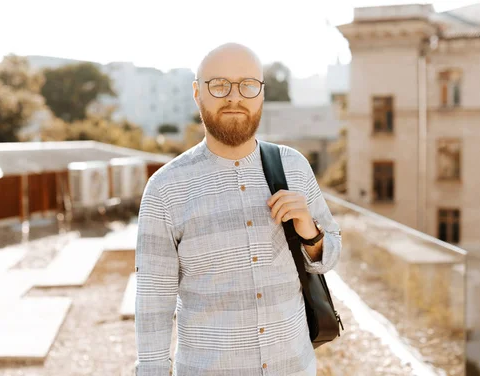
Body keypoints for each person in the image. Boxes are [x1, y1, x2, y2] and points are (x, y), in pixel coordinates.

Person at [135, 42, 342, 376]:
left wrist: (310, 233)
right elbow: (153, 301)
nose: (234, 97)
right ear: (196, 92)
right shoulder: (165, 189)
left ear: (260, 93)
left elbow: (330, 256)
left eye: (247, 85)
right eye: (219, 85)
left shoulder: (294, 167)